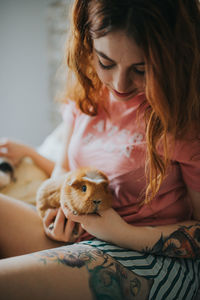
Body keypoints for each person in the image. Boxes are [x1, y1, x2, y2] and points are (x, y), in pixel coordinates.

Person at [0, 0, 200, 299]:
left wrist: (119, 232)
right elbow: (64, 168)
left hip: (151, 256)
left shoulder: (184, 120)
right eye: (106, 62)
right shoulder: (89, 92)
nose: (119, 84)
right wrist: (57, 212)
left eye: (141, 69)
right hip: (79, 238)